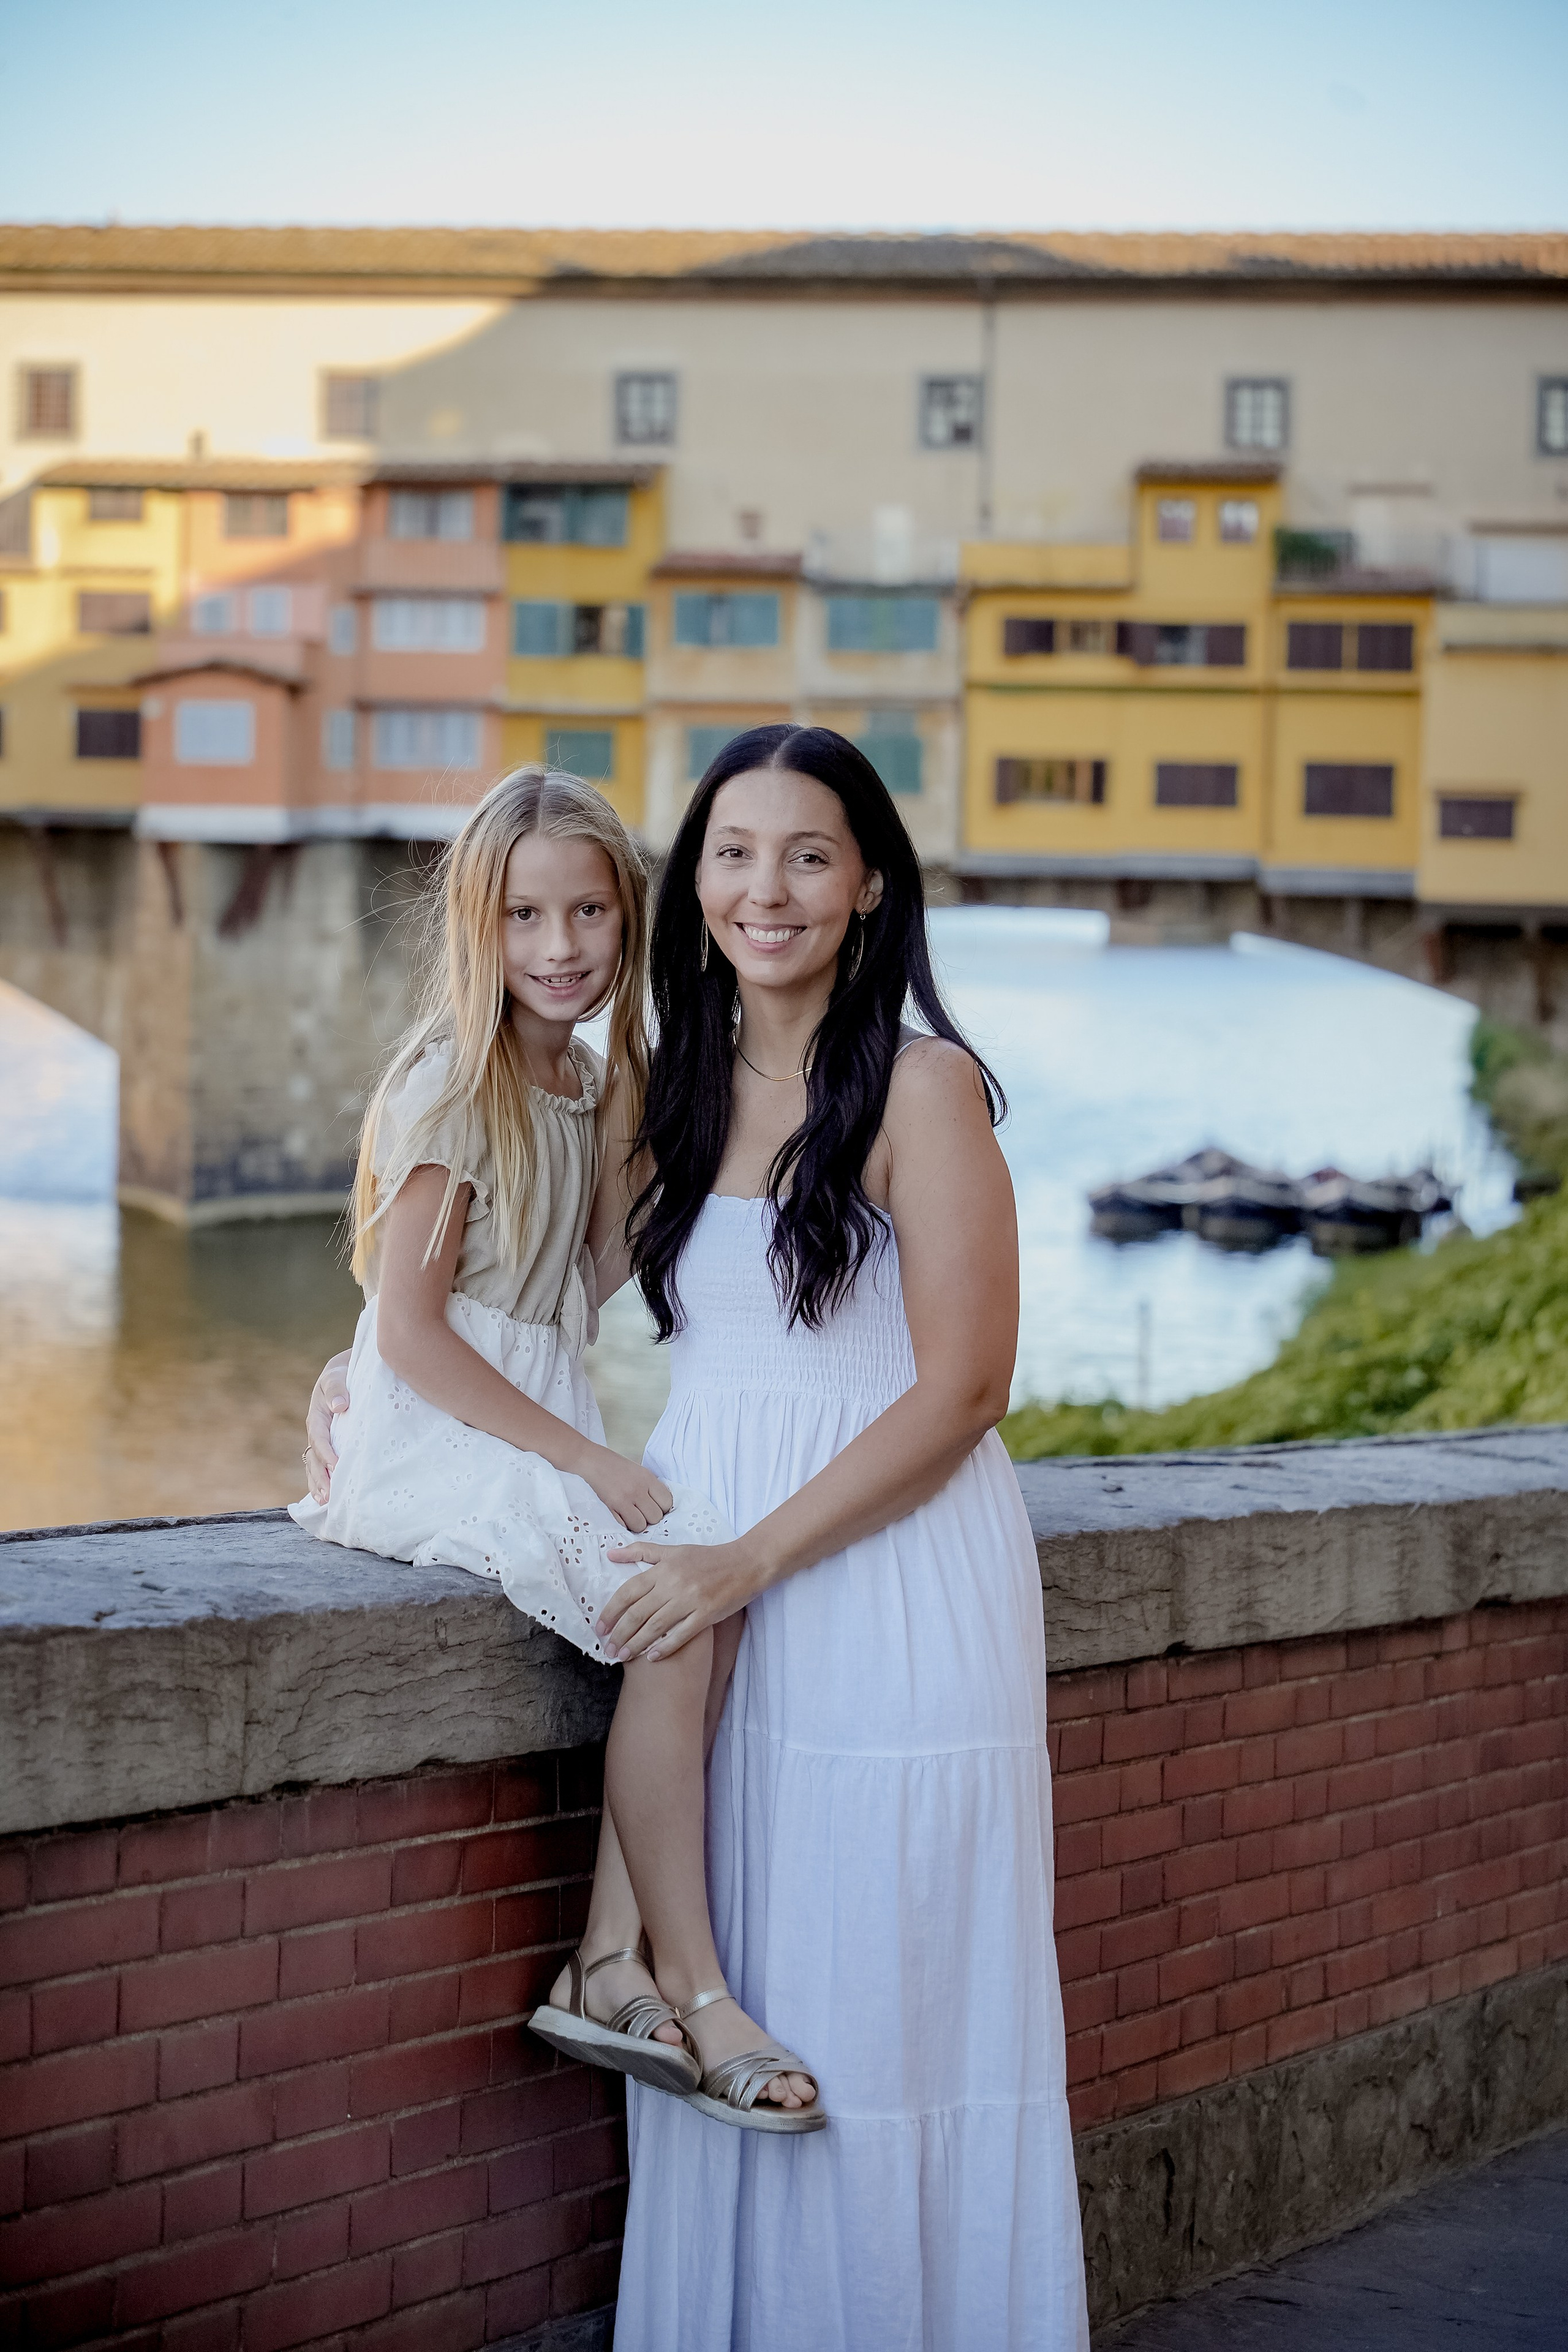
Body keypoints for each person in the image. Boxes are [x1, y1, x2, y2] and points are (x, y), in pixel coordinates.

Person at [309, 726, 1090, 2343]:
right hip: (711, 1558)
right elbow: (512, 1289)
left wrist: (743, 1558)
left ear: (871, 884)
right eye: (735, 853)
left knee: (887, 1995)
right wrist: (360, 1379)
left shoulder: (926, 1087)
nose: (767, 888)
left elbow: (966, 1389)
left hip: (879, 1578)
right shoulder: (665, 1088)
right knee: (740, 1971)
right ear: (698, 887)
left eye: (809, 854)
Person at [294, 766, 818, 2114]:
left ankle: (604, 1955)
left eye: (587, 914)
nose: (560, 949)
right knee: (681, 1609)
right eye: (525, 918)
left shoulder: (586, 1085)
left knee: (701, 1593)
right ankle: (678, 1981)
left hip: (524, 1414)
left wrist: (636, 1114)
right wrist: (582, 1458)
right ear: (480, 926)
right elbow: (408, 1331)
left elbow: (575, 1292)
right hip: (441, 1430)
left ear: (625, 920)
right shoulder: (449, 1083)